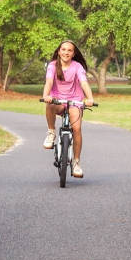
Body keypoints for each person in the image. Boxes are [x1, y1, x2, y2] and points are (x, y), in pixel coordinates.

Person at [42, 40, 94, 178]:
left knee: (76, 129)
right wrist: (46, 96)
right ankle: (51, 133)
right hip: (57, 100)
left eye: (69, 50)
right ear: (59, 51)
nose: (66, 52)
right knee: (50, 105)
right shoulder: (53, 66)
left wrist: (90, 98)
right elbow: (49, 81)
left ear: (73, 53)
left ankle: (76, 162)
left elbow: (84, 83)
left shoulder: (77, 67)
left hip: (74, 101)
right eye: (63, 49)